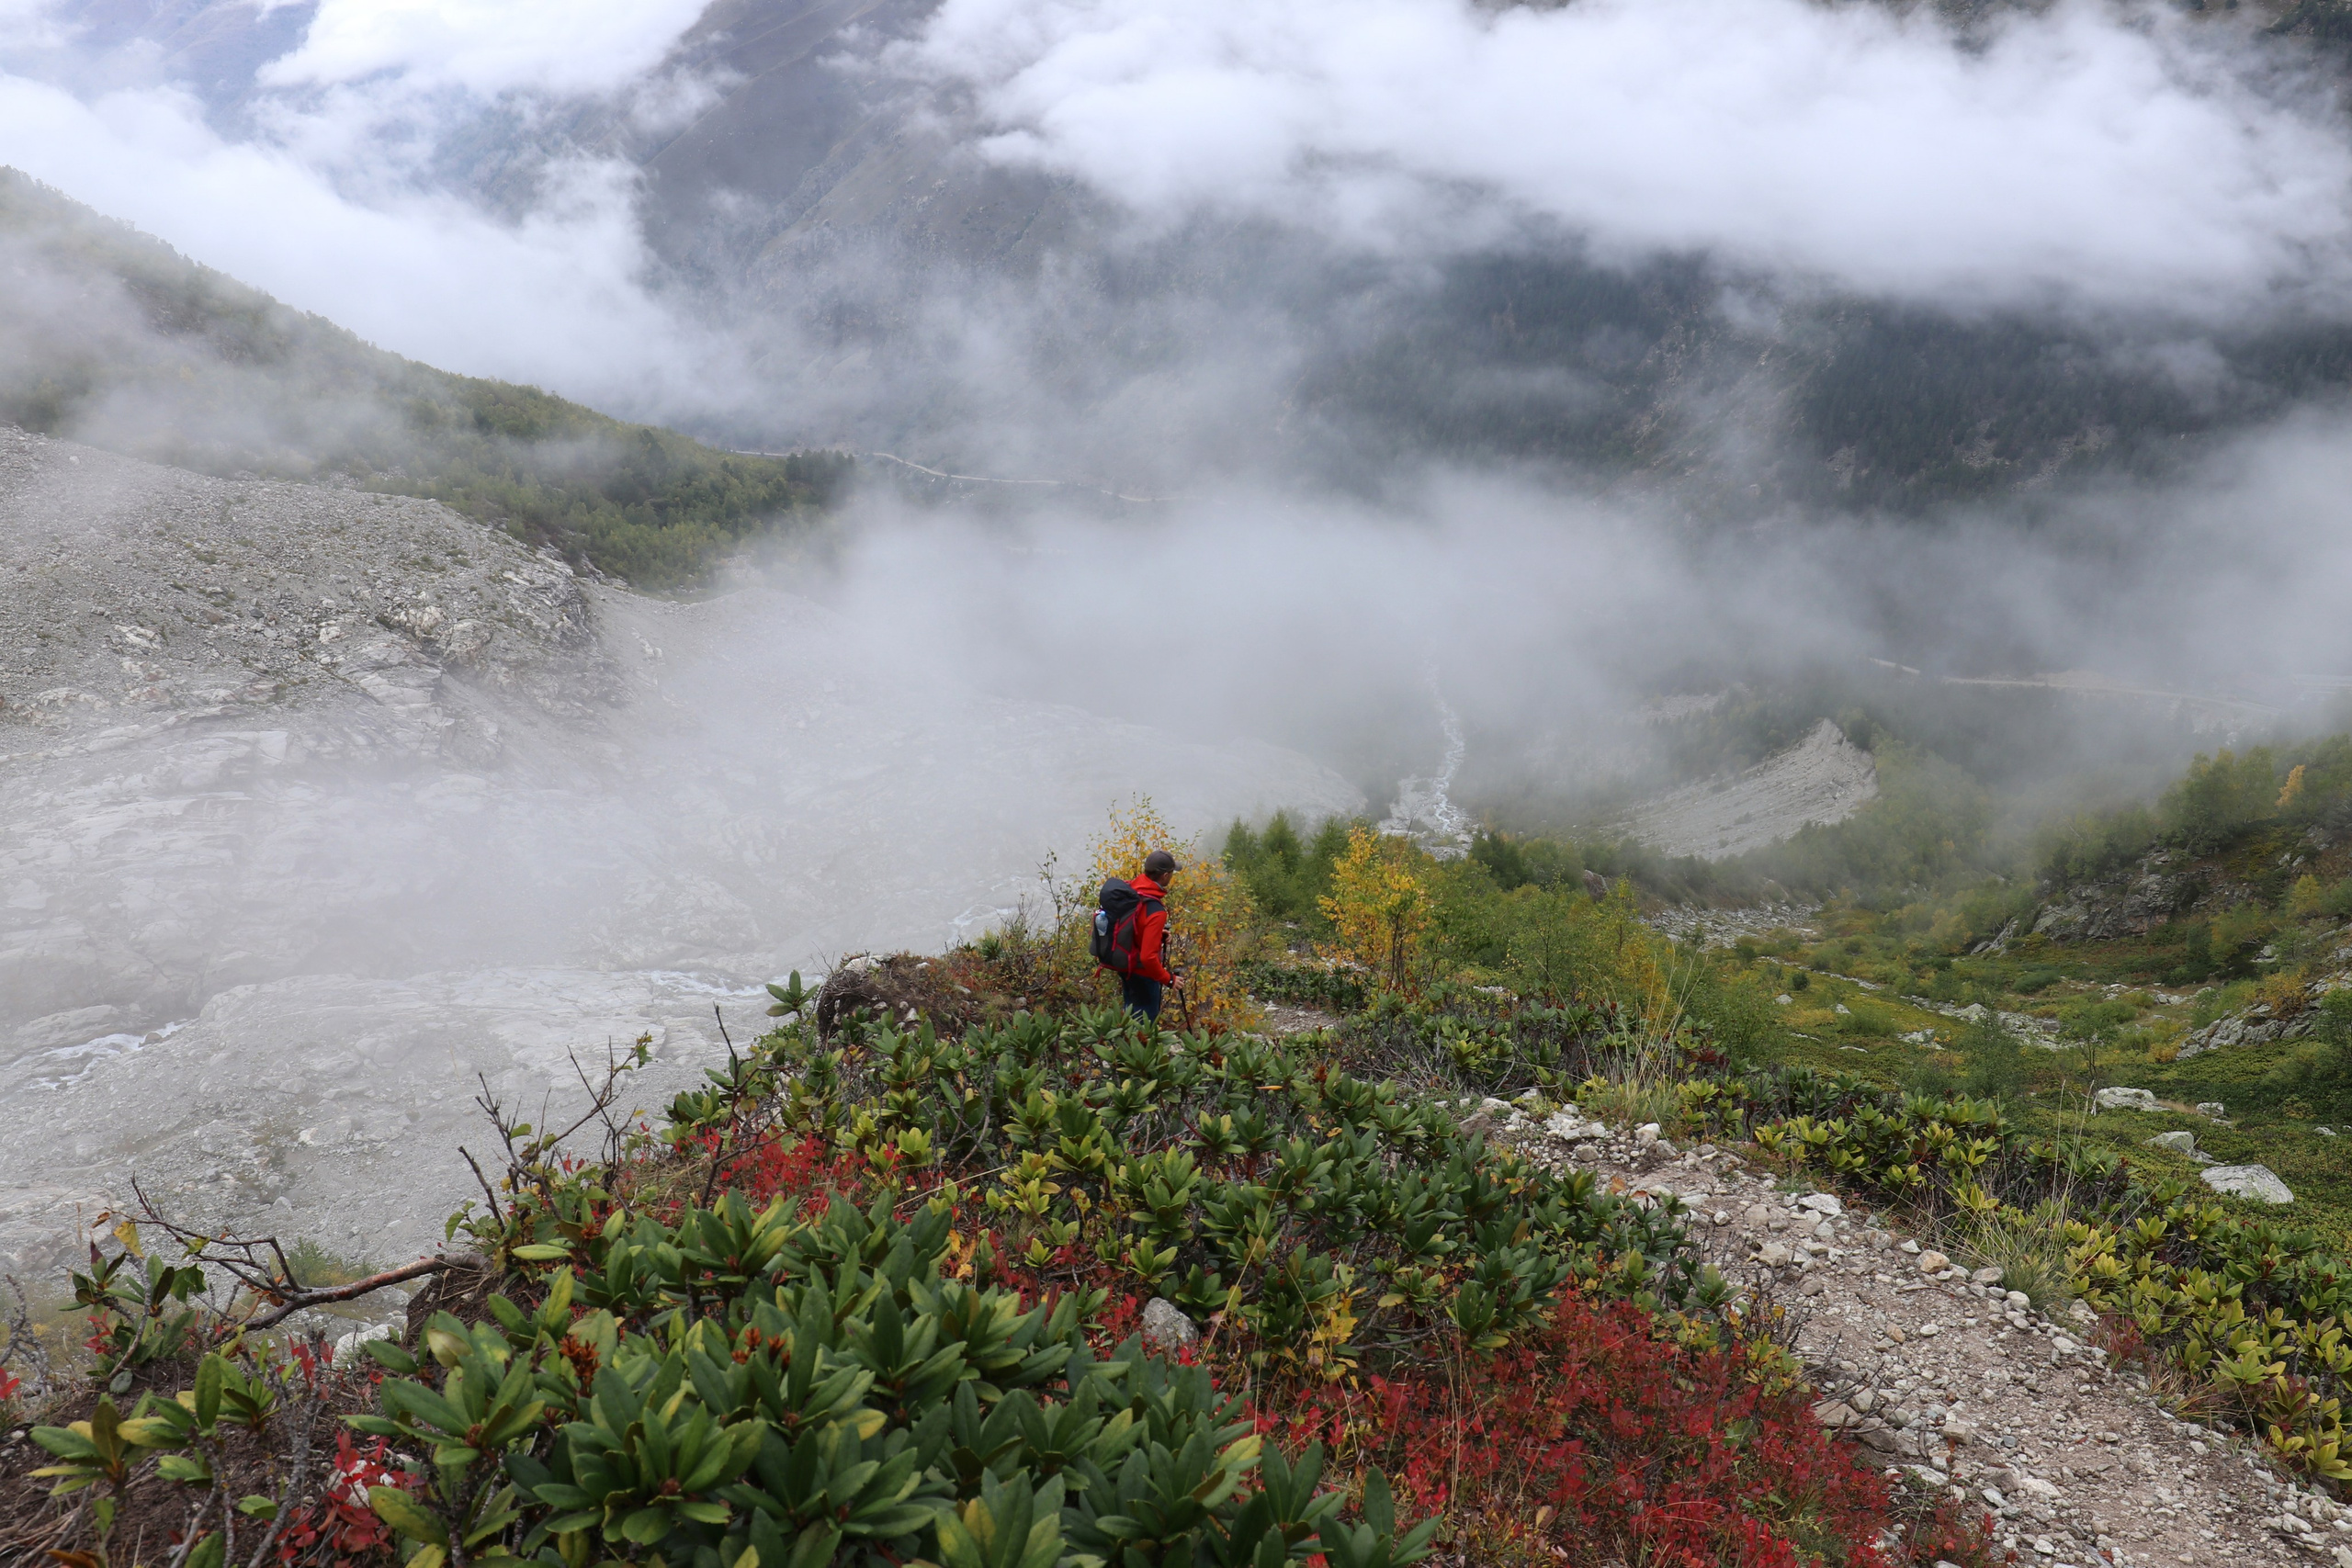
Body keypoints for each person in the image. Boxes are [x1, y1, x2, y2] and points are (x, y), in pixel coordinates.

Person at [1121, 849, 1184, 1022]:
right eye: (1172, 873)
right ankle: (1138, 1048)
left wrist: (1157, 935)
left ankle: (1123, 1045)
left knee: (1130, 1014)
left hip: (1125, 965)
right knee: (1144, 1023)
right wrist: (1169, 980)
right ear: (1164, 876)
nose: (1172, 876)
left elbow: (1135, 925)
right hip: (1143, 973)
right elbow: (1148, 957)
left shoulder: (1132, 891)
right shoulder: (1156, 910)